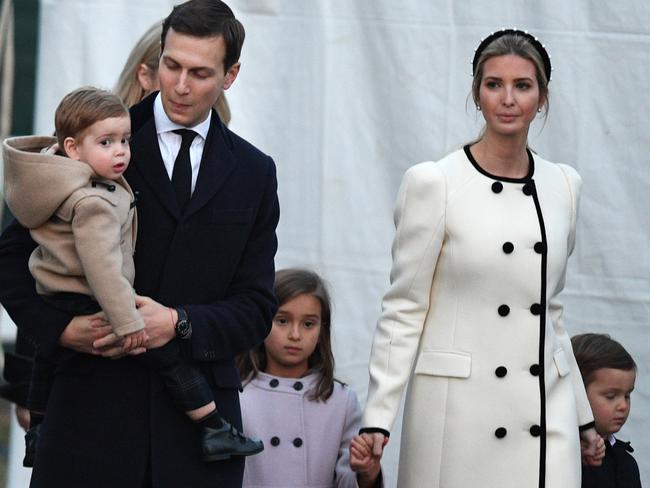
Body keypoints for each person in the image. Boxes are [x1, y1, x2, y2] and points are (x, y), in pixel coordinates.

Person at [0, 1, 279, 486]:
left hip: (198, 435)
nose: (181, 85)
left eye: (200, 72)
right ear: (156, 62)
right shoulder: (97, 143)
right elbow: (9, 260)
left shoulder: (255, 172)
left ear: (231, 75)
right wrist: (62, 328)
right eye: (171, 66)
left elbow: (255, 308)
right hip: (89, 416)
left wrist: (179, 322)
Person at [358, 29, 604, 487]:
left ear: (542, 97)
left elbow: (549, 312)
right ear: (477, 94)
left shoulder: (564, 186)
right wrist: (378, 416)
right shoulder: (435, 183)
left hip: (542, 413)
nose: (507, 99)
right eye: (494, 84)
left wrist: (584, 418)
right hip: (459, 416)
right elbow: (404, 308)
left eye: (522, 85)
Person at [238, 268, 383, 488]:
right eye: (282, 320)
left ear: (321, 329)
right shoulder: (238, 397)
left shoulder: (340, 402)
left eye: (308, 324)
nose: (295, 335)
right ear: (263, 321)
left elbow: (347, 479)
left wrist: (367, 474)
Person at [115, 20, 231, 125]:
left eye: (200, 75)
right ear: (145, 76)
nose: (182, 88)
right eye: (173, 68)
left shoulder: (231, 145)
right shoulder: (108, 143)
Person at [571, 333, 641, 488]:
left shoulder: (626, 463)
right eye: (611, 396)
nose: (623, 405)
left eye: (627, 395)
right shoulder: (549, 457)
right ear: (577, 395)